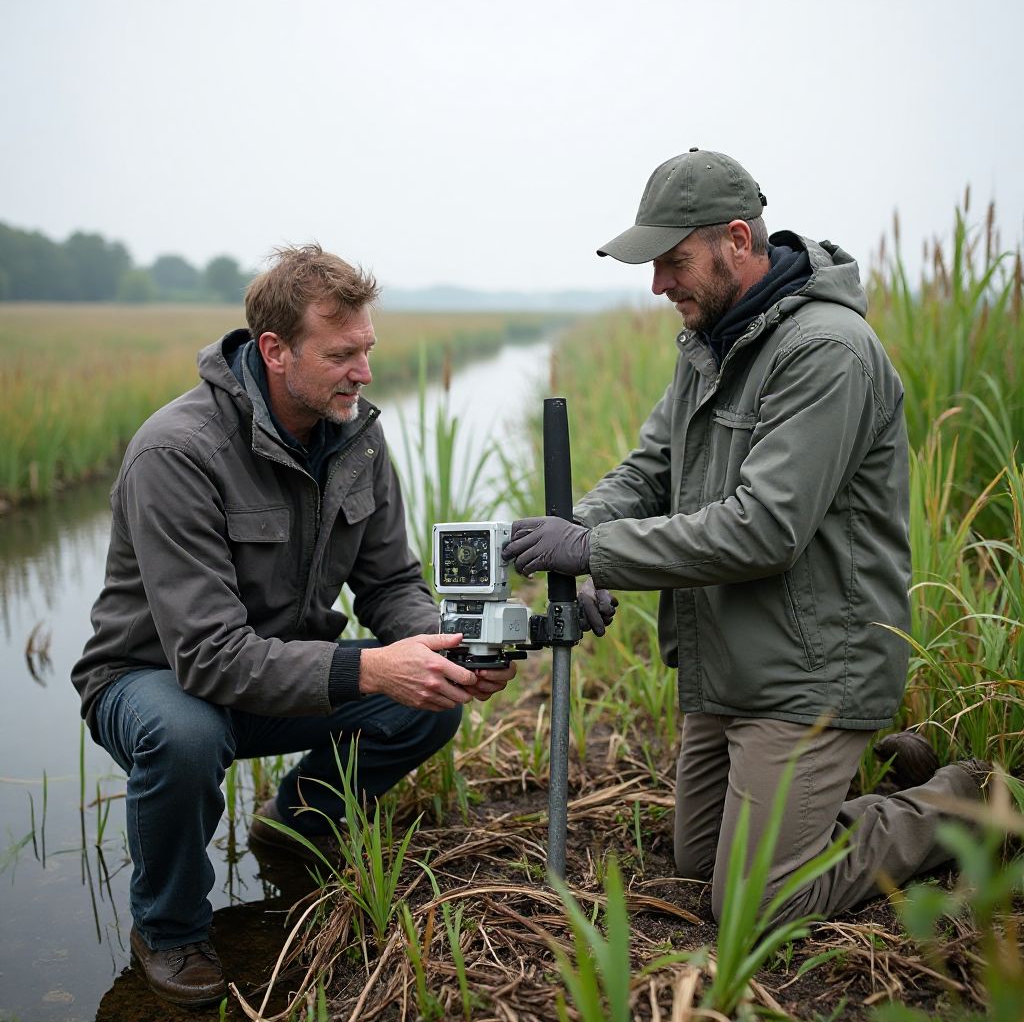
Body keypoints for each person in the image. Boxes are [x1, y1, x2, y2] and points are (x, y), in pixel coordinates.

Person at [502, 149, 989, 925]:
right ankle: (856, 794)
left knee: (758, 901)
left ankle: (969, 799)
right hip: (731, 663)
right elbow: (649, 470)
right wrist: (578, 539)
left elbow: (765, 530)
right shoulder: (710, 342)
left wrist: (597, 553)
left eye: (673, 262)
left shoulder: (825, 350)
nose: (658, 285)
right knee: (698, 861)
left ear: (736, 240)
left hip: (812, 668)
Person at [72, 245, 523, 1007]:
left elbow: (389, 583)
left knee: (426, 704)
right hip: (155, 680)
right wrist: (370, 668)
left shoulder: (357, 437)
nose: (364, 372)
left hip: (277, 677)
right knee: (186, 735)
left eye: (367, 349)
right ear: (275, 350)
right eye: (341, 355)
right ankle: (169, 930)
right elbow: (208, 656)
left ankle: (296, 823)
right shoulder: (176, 452)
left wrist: (448, 647)